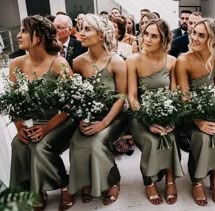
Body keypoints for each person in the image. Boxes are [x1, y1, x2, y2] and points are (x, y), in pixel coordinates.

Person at [9, 15, 77, 211]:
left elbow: (71, 105)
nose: (18, 35)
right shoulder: (16, 64)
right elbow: (15, 103)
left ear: (38, 36)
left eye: (23, 31)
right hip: (33, 122)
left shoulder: (59, 63)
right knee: (18, 143)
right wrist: (20, 126)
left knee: (40, 146)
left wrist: (46, 128)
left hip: (61, 120)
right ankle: (34, 191)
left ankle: (65, 185)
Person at [68, 14, 127, 206]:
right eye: (81, 28)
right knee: (77, 142)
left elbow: (121, 97)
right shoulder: (77, 62)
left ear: (101, 35)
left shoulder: (116, 61)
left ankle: (113, 182)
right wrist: (81, 120)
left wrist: (103, 123)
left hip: (114, 117)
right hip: (87, 116)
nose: (81, 33)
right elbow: (75, 96)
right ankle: (86, 182)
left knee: (97, 143)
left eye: (87, 29)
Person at [127, 18, 183, 205]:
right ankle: (149, 182)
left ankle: (170, 179)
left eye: (154, 36)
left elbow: (175, 95)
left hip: (167, 113)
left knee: (170, 137)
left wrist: (171, 118)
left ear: (164, 40)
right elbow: (133, 97)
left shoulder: (172, 61)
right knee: (151, 140)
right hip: (140, 114)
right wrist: (148, 120)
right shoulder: (133, 60)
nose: (147, 39)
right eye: (146, 34)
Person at [175, 18, 215, 207]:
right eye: (193, 33)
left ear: (212, 40)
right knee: (202, 136)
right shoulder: (183, 60)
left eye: (201, 35)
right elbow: (184, 98)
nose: (194, 38)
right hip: (189, 115)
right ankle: (197, 181)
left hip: (213, 112)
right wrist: (198, 121)